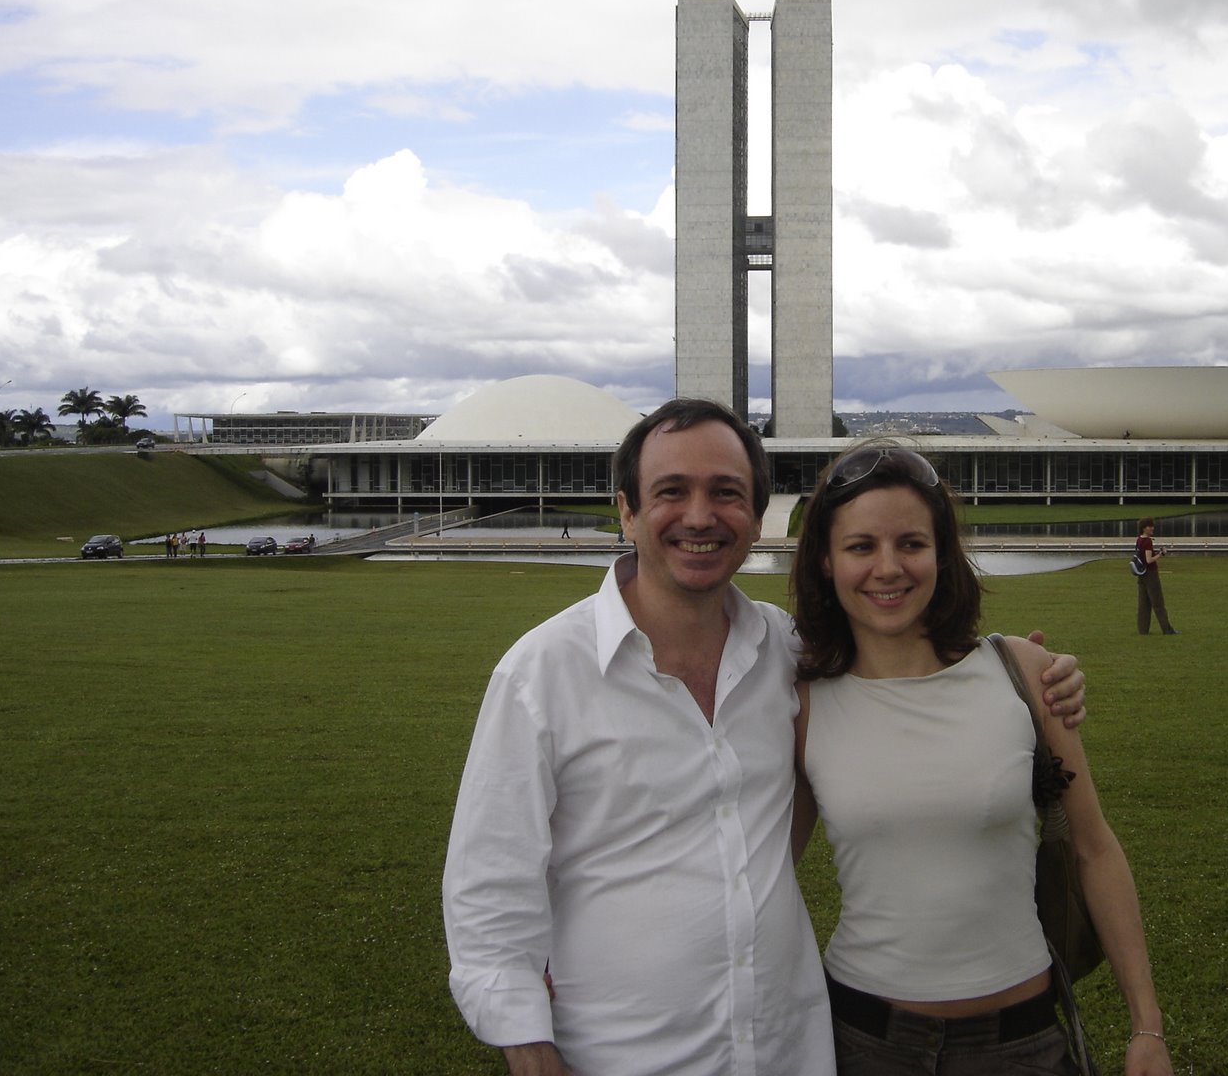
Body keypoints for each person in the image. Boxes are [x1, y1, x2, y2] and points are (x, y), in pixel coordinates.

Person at [442, 401, 1089, 1076]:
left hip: (787, 1047)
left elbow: (908, 660)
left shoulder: (790, 654)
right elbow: (490, 884)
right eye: (671, 492)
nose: (700, 516)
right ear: (627, 512)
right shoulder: (541, 673)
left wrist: (1037, 675)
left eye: (726, 493)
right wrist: (527, 1044)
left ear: (755, 517)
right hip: (620, 1052)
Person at [790, 442, 1171, 1075]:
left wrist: (1146, 1026)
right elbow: (766, 874)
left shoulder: (1021, 672)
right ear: (827, 562)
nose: (889, 568)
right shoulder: (804, 701)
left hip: (1021, 1043)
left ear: (941, 553)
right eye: (861, 547)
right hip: (863, 1041)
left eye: (911, 543)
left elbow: (1094, 848)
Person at [1134, 518, 1178, 635]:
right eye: (1150, 526)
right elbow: (1149, 560)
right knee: (1158, 603)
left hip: (1141, 574)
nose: (1152, 528)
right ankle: (1167, 629)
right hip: (1151, 575)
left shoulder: (1139, 540)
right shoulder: (1147, 541)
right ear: (1144, 528)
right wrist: (1161, 554)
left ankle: (1143, 630)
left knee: (1143, 604)